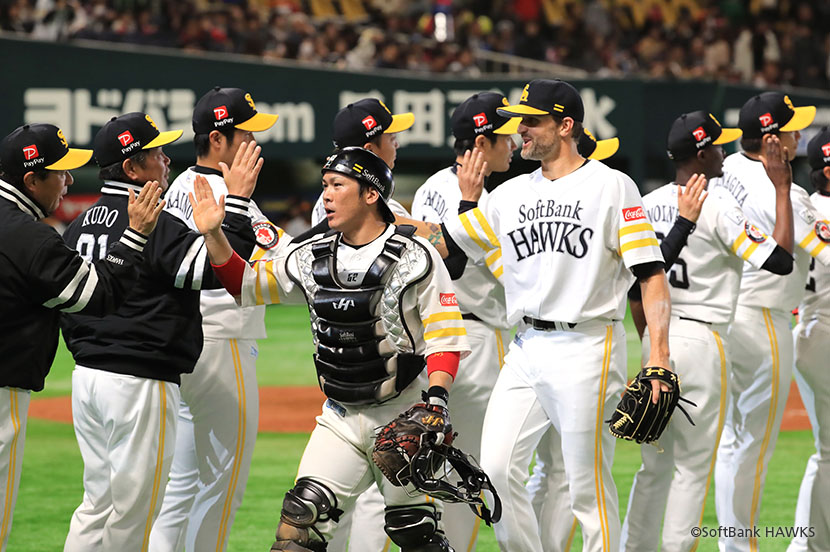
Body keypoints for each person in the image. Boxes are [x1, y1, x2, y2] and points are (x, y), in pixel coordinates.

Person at [188, 146, 471, 551]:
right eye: (324, 185)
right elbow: (245, 286)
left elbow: (445, 337)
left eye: (338, 185)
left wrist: (437, 403)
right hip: (340, 417)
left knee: (416, 533)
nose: (326, 196)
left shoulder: (416, 256)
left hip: (403, 413)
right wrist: (214, 235)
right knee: (298, 524)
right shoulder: (310, 256)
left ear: (371, 194)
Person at [441, 78, 672, 552]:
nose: (520, 130)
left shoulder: (612, 186)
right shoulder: (509, 194)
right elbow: (447, 240)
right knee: (494, 472)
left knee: (586, 488)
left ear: (566, 126)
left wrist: (660, 356)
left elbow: (651, 275)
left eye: (532, 121)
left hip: (588, 345)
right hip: (526, 348)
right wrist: (376, 222)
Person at [59, 113, 260, 552]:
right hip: (137, 381)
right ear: (132, 168)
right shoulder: (151, 220)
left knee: (97, 506)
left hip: (86, 377)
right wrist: (238, 205)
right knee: (134, 512)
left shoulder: (80, 224)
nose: (167, 160)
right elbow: (217, 272)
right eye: (157, 153)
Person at [621, 111, 795, 552]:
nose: (723, 152)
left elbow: (636, 290)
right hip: (702, 340)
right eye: (716, 145)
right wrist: (781, 189)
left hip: (657, 339)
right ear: (700, 154)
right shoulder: (718, 206)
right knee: (692, 470)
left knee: (653, 467)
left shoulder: (646, 203)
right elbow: (780, 261)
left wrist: (648, 342)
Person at [0, 123, 163, 552]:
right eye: (60, 172)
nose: (69, 180)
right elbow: (97, 295)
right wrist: (135, 237)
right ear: (32, 180)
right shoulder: (27, 236)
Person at [149, 86, 279, 552]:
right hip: (223, 342)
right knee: (221, 485)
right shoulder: (227, 193)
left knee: (180, 486)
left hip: (184, 343)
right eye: (246, 133)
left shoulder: (179, 185)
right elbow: (280, 258)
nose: (254, 142)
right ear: (218, 139)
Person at [712, 92, 830, 552]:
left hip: (728, 315)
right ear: (771, 140)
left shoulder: (727, 170)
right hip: (764, 319)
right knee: (752, 448)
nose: (798, 134)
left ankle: (732, 546)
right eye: (790, 128)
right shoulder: (787, 194)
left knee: (734, 443)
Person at [409, 90, 517, 551]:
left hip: (428, 340)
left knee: (421, 468)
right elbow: (511, 276)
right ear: (481, 142)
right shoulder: (484, 203)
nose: (513, 143)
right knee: (470, 471)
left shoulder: (429, 187)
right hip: (475, 340)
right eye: (505, 136)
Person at [522, 128, 622, 551]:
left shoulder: (610, 192)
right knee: (559, 472)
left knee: (559, 472)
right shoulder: (536, 195)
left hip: (580, 343)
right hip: (534, 344)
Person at [788, 127, 830, 552]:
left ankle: (807, 545)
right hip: (824, 332)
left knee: (826, 452)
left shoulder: (804, 207)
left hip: (809, 329)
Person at [310, 98, 414, 226]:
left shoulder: (326, 200)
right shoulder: (376, 208)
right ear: (369, 150)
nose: (397, 145)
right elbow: (431, 237)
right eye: (392, 139)